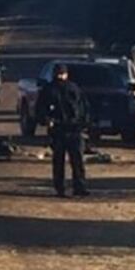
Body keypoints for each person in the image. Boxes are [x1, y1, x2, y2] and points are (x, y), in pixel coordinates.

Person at [36, 64, 90, 197]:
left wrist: (84, 123)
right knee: (58, 161)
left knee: (77, 160)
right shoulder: (48, 90)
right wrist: (47, 120)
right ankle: (60, 188)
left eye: (62, 74)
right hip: (58, 130)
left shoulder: (74, 88)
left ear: (67, 75)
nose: (60, 77)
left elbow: (84, 107)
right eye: (58, 74)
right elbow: (40, 110)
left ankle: (80, 187)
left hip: (74, 129)